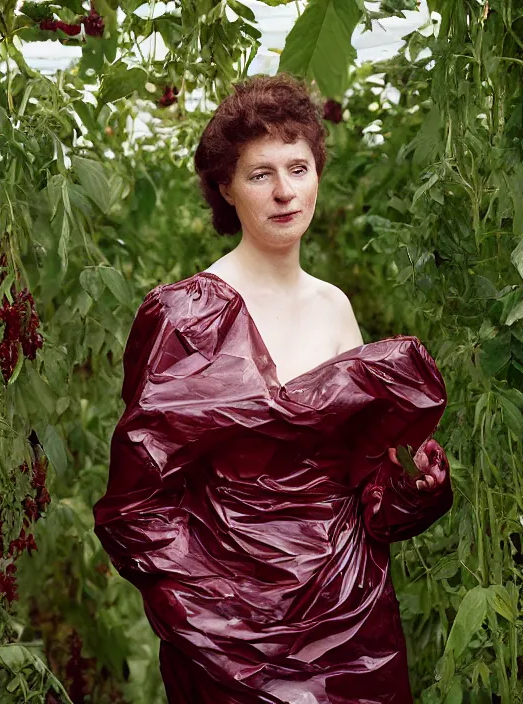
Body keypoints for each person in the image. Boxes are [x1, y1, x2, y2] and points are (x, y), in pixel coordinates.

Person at [93, 74, 453, 703]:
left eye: (299, 167)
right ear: (225, 188)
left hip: (350, 621)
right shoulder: (186, 318)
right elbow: (137, 505)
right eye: (261, 174)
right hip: (225, 631)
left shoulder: (336, 307)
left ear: (318, 173)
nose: (286, 192)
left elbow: (363, 492)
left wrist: (411, 486)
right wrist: (214, 619)